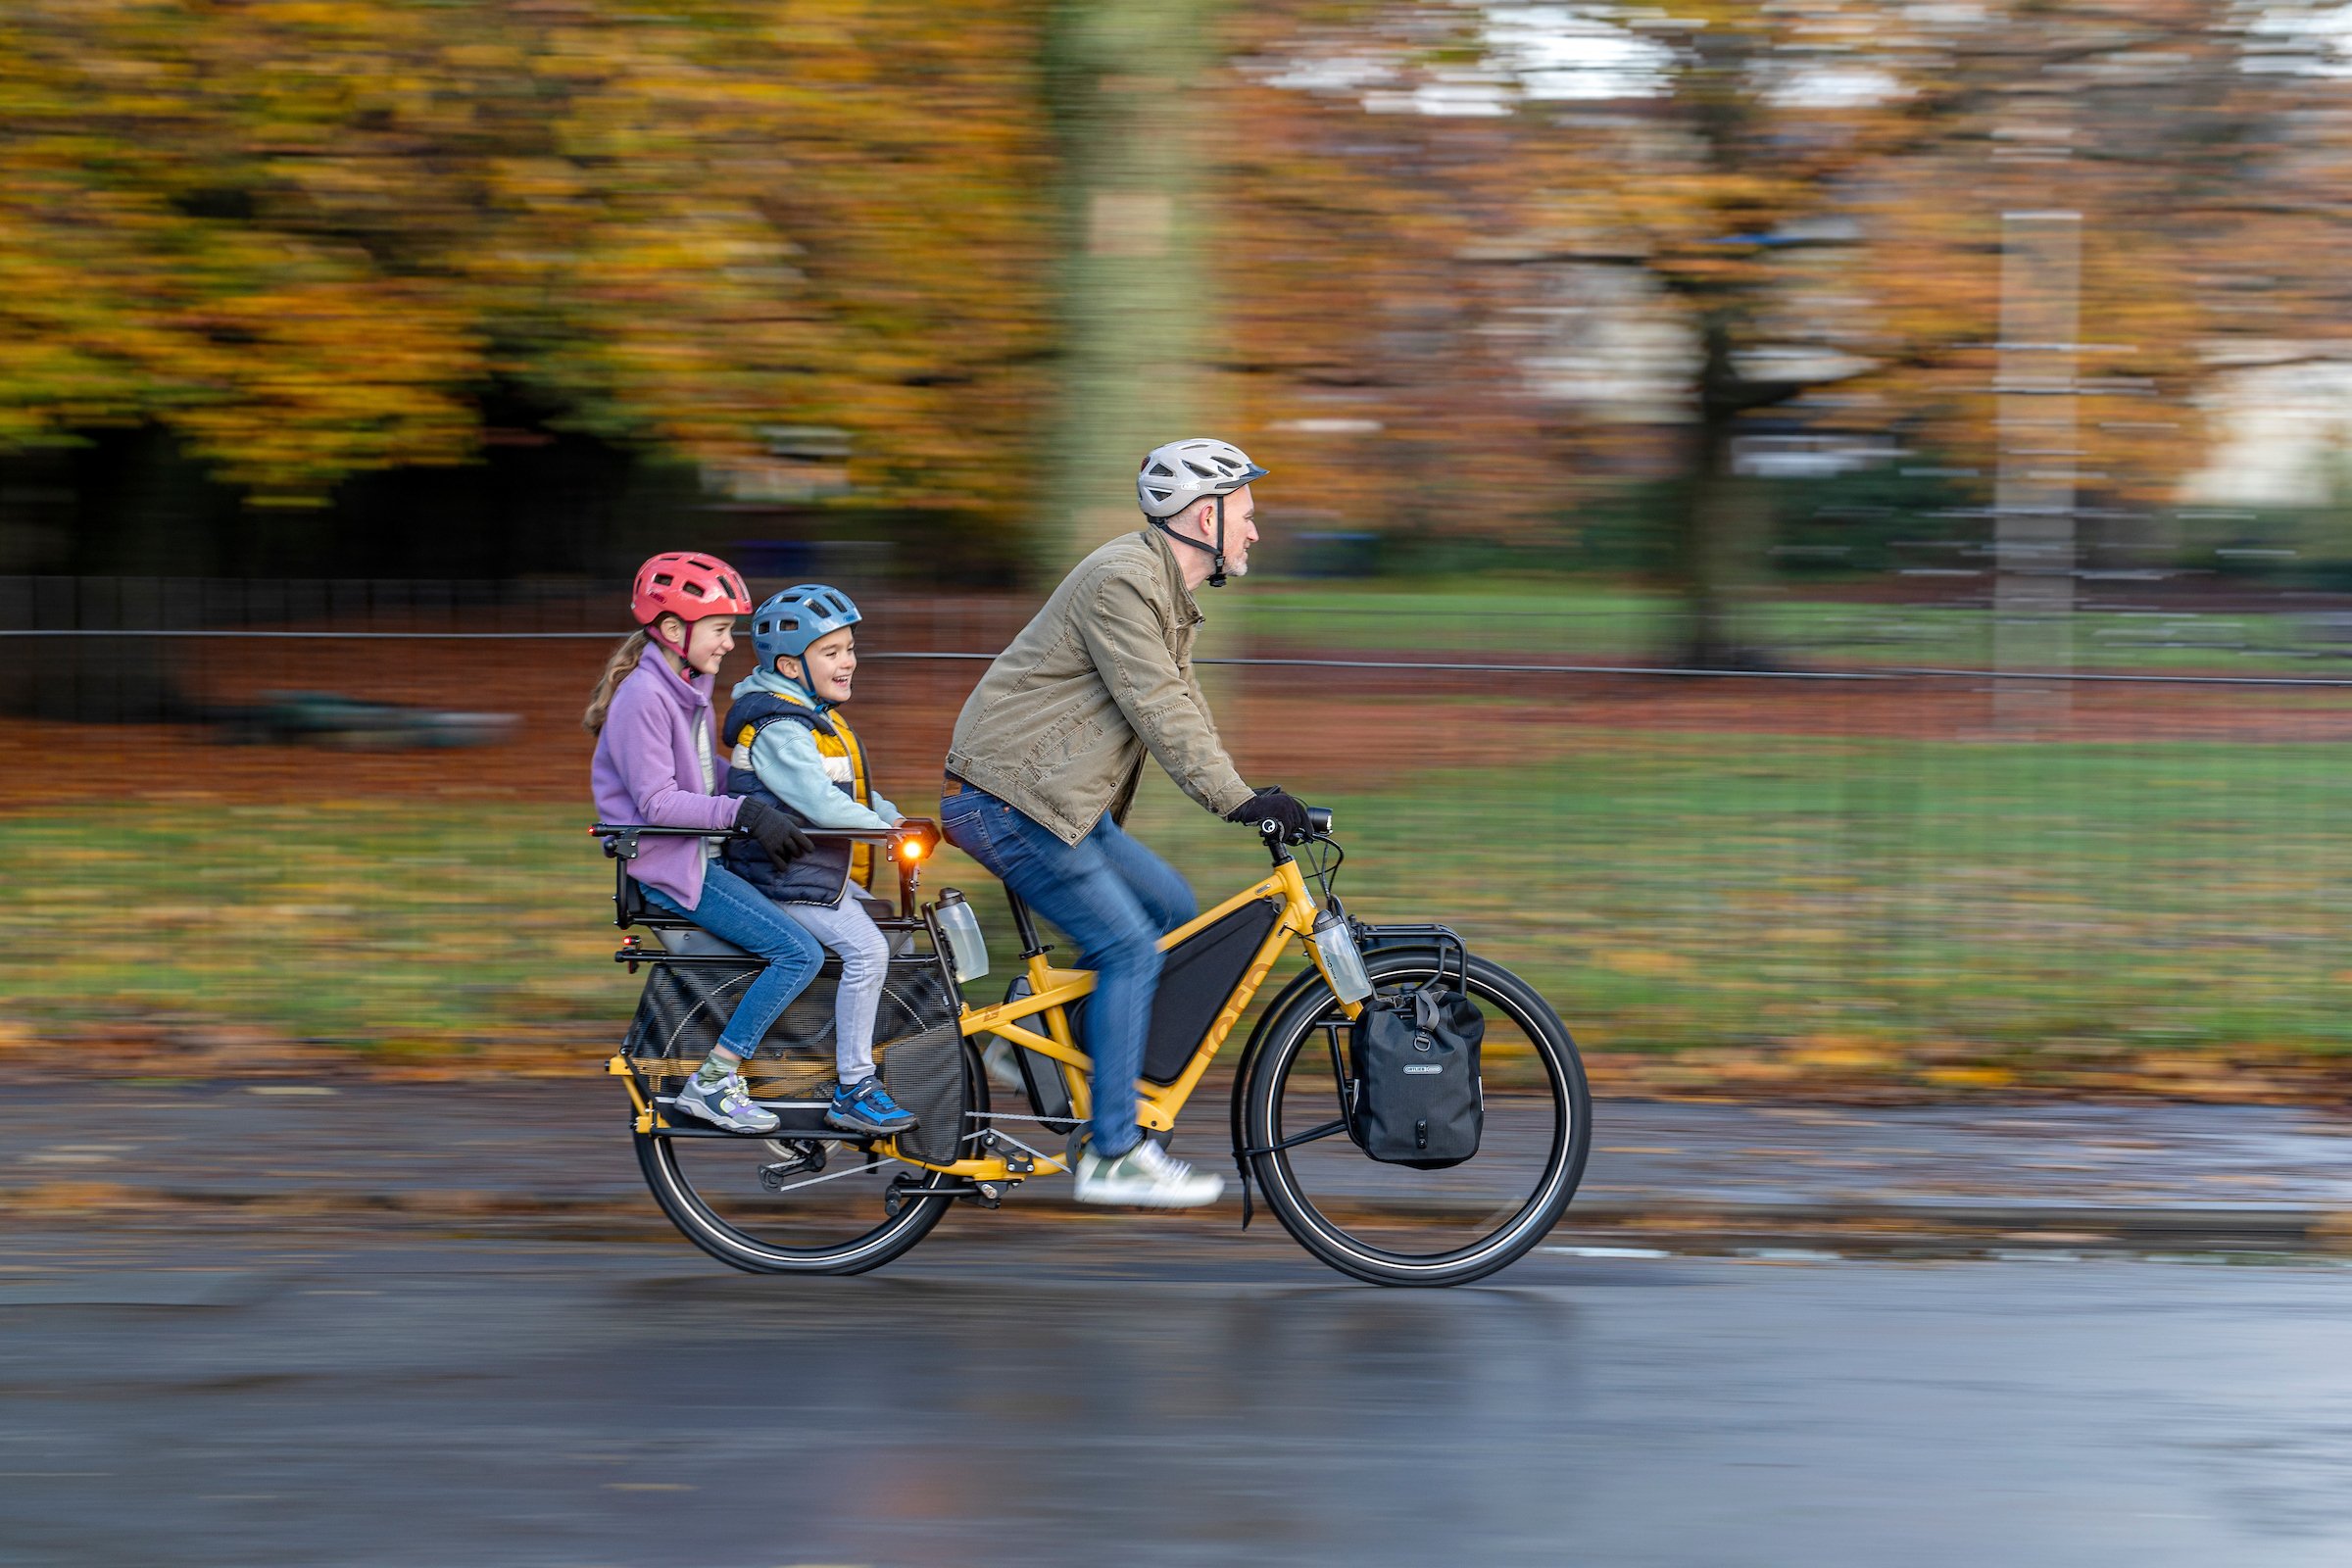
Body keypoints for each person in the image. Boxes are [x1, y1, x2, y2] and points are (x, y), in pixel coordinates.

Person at [941, 438, 1311, 1207]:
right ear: (1203, 516)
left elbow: (1185, 707)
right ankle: (1113, 1152)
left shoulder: (1165, 592)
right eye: (1246, 515)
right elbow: (1158, 707)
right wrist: (1236, 800)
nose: (1254, 531)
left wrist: (1248, 791)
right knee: (1130, 948)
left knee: (1173, 915)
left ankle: (1038, 1046)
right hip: (1008, 799)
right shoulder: (1122, 583)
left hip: (1057, 802)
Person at [585, 551, 825, 1136]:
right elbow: (659, 804)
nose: (727, 644)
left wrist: (767, 789)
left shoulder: (681, 687)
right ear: (673, 630)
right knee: (800, 954)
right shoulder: (644, 698)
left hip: (698, 857)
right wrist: (744, 812)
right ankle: (715, 1079)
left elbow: (702, 772)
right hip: (673, 873)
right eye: (719, 630)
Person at [718, 584, 921, 1140]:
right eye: (831, 652)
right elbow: (819, 804)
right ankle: (854, 1087)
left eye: (850, 647)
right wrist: (886, 832)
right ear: (790, 665)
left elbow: (849, 793)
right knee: (867, 949)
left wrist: (897, 821)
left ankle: (829, 1050)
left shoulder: (811, 715)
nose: (848, 661)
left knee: (891, 927)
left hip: (810, 872)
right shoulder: (782, 727)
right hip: (782, 877)